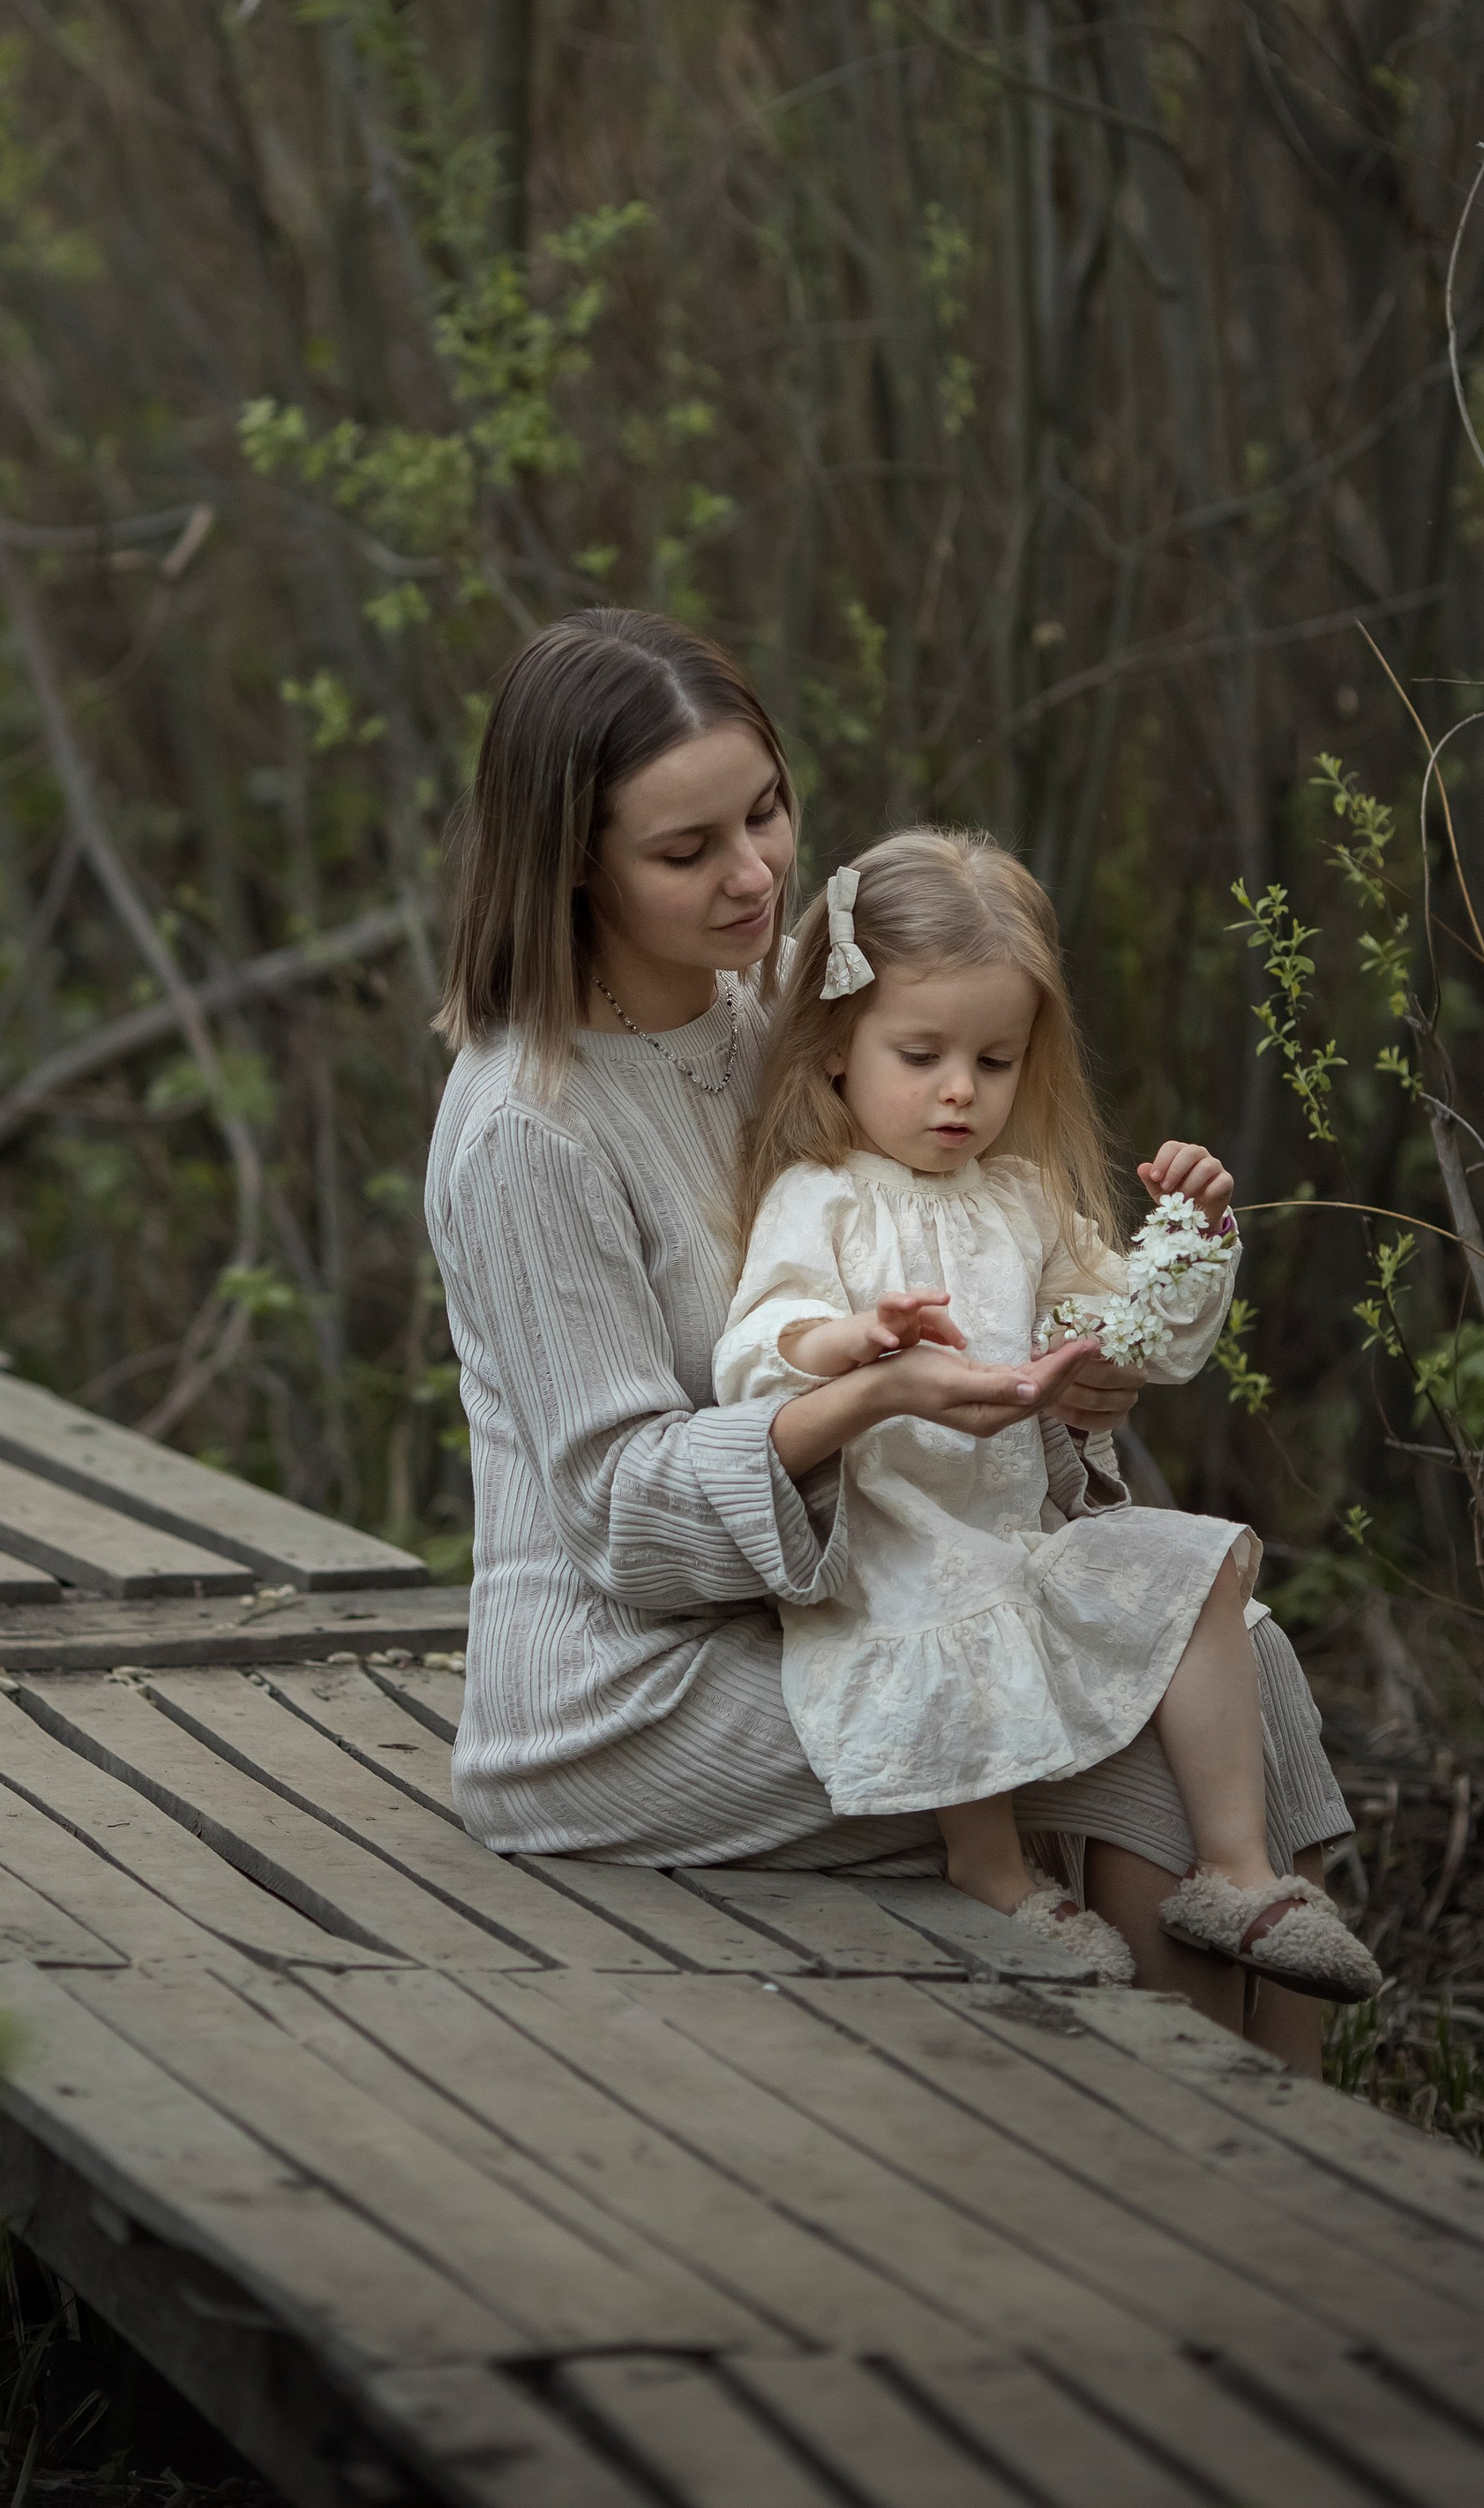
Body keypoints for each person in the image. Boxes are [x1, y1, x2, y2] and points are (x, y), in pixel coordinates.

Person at [424, 604, 1357, 2071]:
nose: (753, 875)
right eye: (686, 852)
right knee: (1129, 1749)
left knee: (1240, 1651)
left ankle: (1304, 2172)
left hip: (859, 1593)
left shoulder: (786, 999)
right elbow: (620, 1523)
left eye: (768, 812)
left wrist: (1062, 1386)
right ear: (571, 866)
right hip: (628, 1695)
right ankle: (1196, 2167)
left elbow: (959, 1239)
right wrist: (866, 1402)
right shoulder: (525, 1133)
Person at [711, 828, 1383, 2003]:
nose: (961, 1089)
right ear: (834, 1048)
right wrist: (856, 1345)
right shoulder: (822, 1200)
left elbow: (1148, 1341)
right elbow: (760, 1349)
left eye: (996, 1059)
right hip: (898, 1539)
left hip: (1026, 1528)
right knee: (958, 1603)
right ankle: (991, 1865)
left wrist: (1193, 1235)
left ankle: (1234, 1867)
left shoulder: (1024, 1201)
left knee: (1200, 1568)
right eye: (920, 1054)